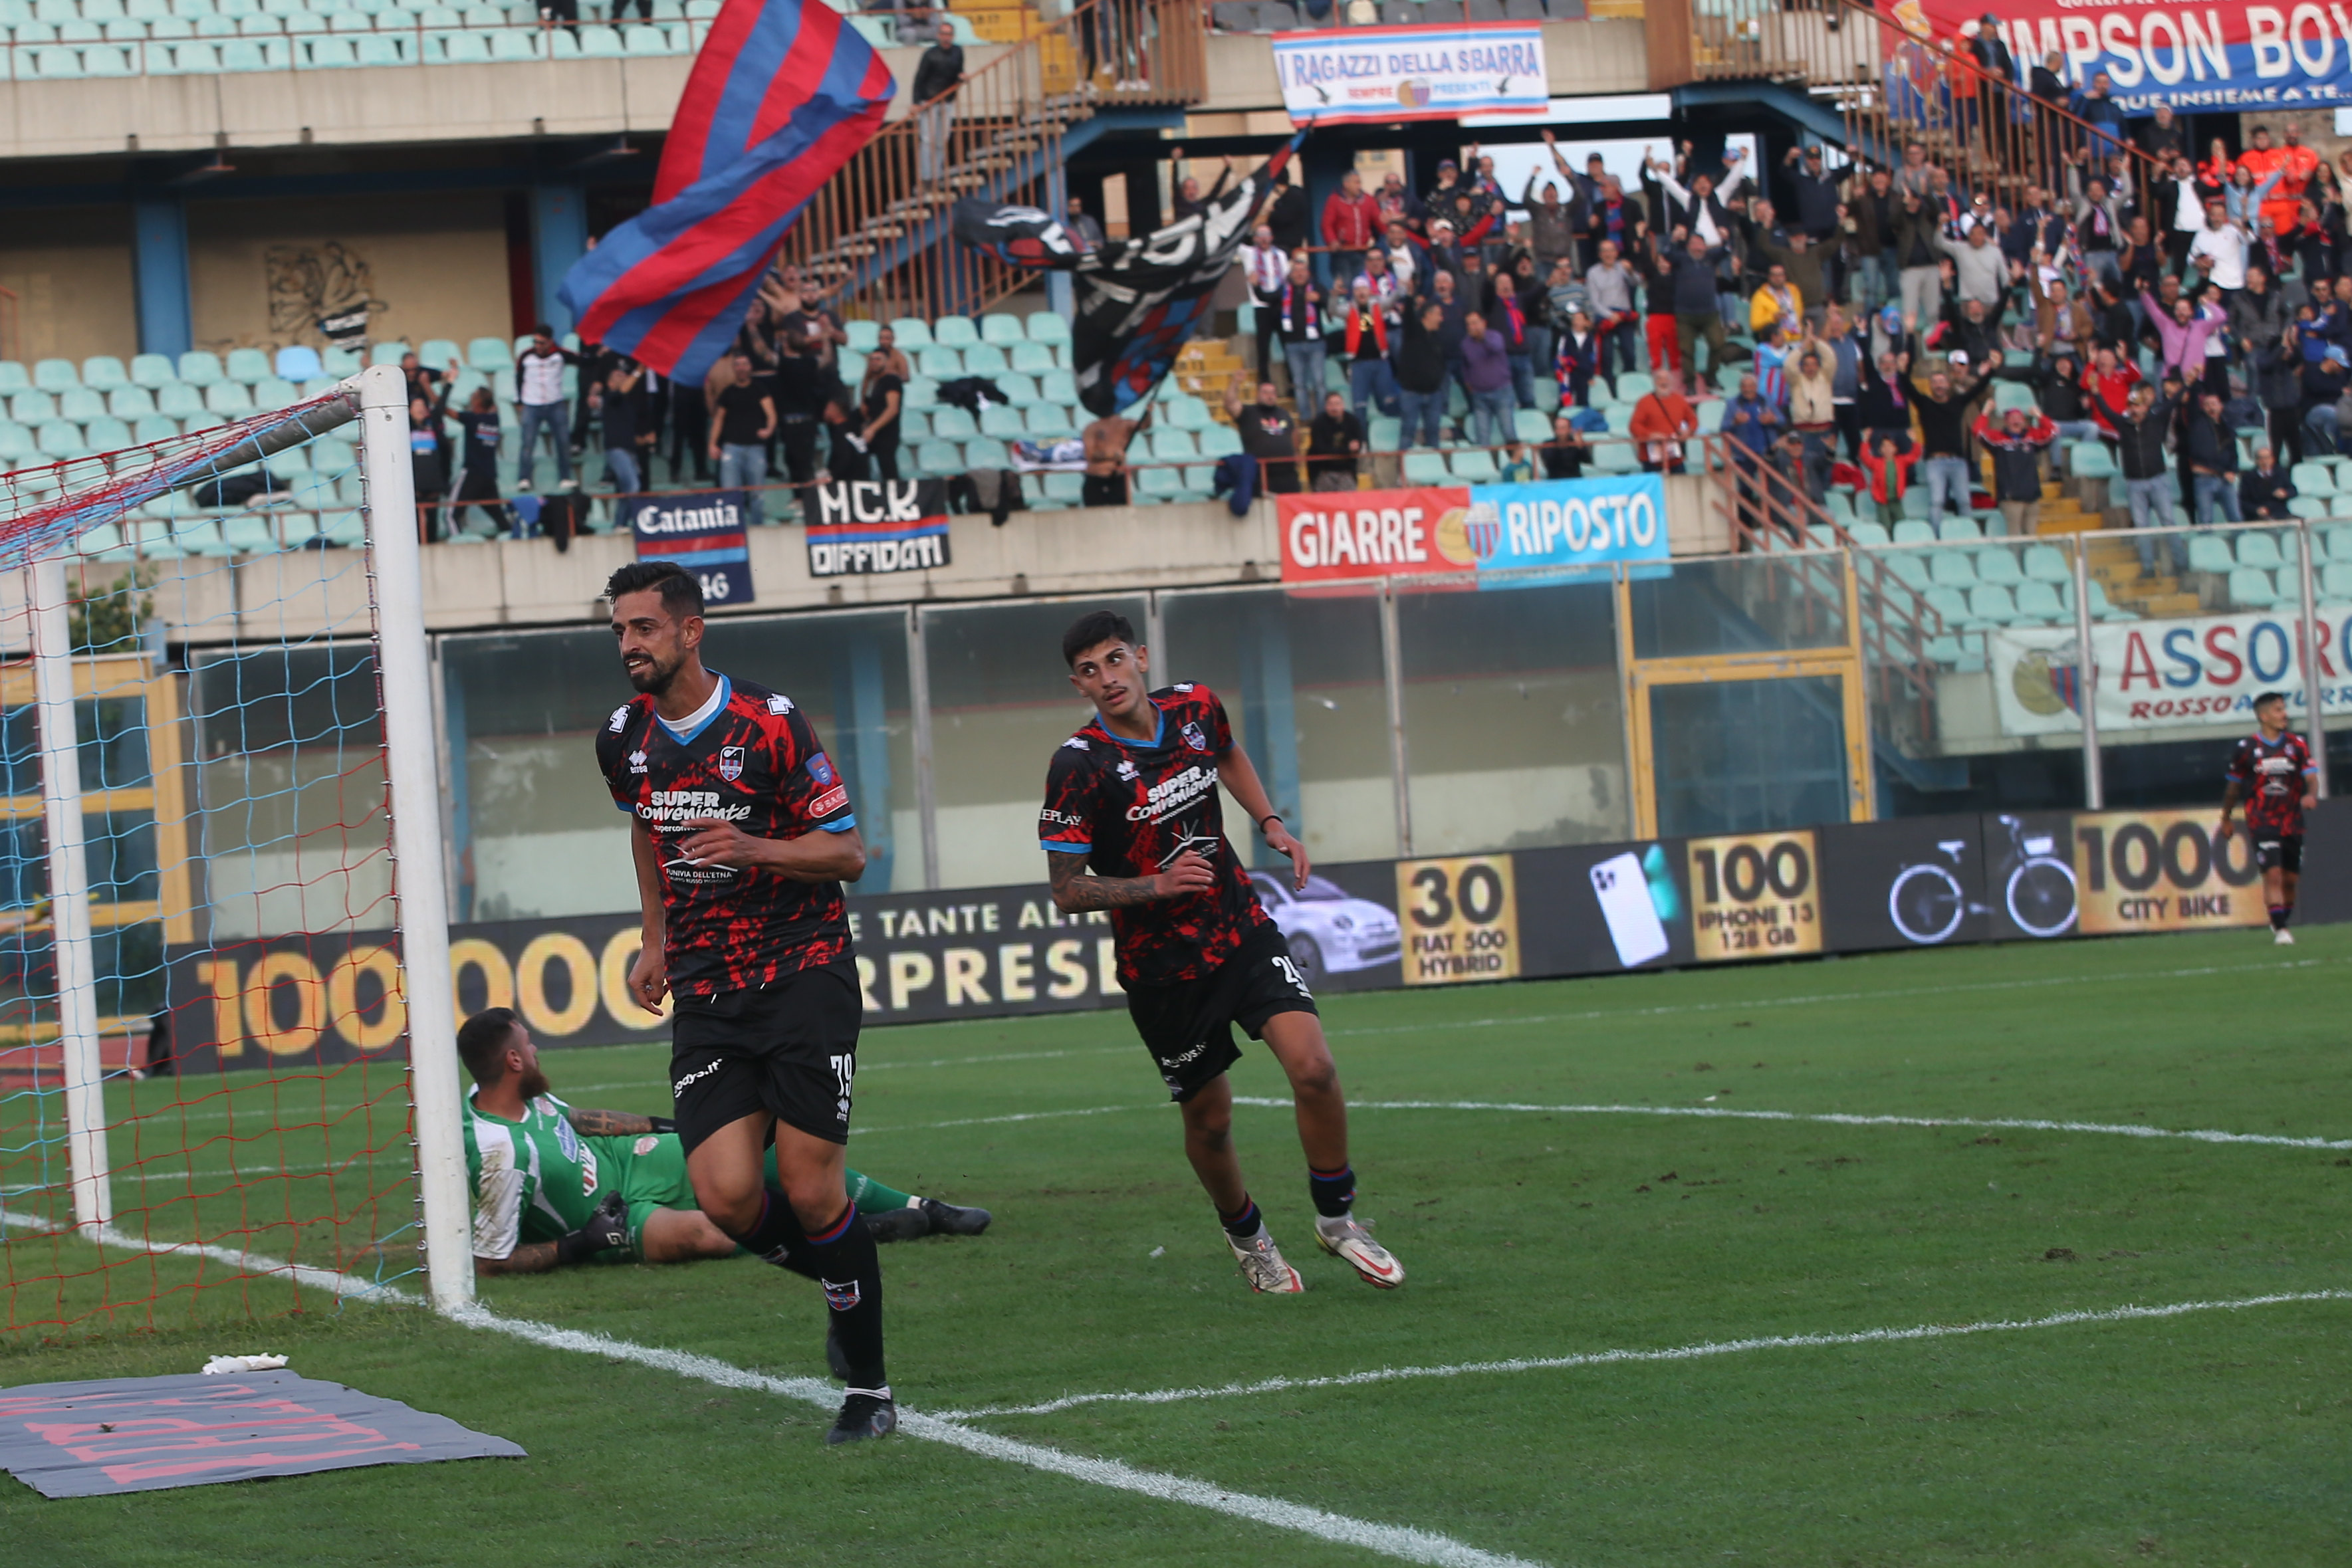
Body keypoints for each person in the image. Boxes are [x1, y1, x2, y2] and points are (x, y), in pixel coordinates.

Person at [596, 560, 890, 1444]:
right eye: (618, 630)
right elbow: (647, 831)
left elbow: (846, 854)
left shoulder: (769, 722)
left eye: (643, 627)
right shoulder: (621, 735)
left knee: (807, 1186)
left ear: (691, 630)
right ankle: (848, 1280)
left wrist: (755, 847)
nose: (628, 645)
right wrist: (654, 937)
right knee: (724, 1195)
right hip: (709, 990)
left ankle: (869, 1386)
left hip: (802, 973)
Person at [1038, 610, 1405, 1295]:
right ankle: (1247, 1234)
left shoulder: (1197, 706)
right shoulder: (1078, 765)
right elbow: (1065, 888)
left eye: (1116, 660)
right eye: (1090, 670)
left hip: (1238, 929)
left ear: (1141, 658)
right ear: (1078, 684)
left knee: (1315, 1067)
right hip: (1161, 970)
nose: (1107, 678)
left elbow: (1227, 752)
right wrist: (1158, 884)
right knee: (1210, 1122)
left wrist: (1269, 822)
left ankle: (1337, 1220)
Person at [460, 1008, 990, 1280]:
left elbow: (581, 1120)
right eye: (530, 1045)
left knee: (764, 1158)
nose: (537, 1050)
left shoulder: (507, 1095)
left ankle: (926, 1208)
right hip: (607, 1222)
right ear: (512, 1062)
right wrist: (584, 1243)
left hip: (630, 1163)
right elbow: (491, 1261)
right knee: (705, 1235)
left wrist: (669, 1126)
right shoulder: (503, 1156)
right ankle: (851, 1233)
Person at [2218, 691, 2319, 944]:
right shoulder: (2247, 749)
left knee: (2290, 880)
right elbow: (2233, 787)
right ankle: (2282, 929)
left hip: (2292, 820)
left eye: (2283, 709)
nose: (2284, 715)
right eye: (2278, 710)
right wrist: (2226, 817)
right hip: (2262, 820)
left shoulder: (2297, 744)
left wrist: (2311, 794)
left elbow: (2311, 777)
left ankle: (2280, 920)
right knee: (2272, 874)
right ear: (2263, 716)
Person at [708, 353, 776, 527]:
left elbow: (771, 414)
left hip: (756, 448)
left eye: (744, 364)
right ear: (734, 369)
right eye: (738, 365)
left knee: (757, 494)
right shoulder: (728, 392)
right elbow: (719, 420)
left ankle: (757, 527)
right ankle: (734, 530)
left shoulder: (760, 389)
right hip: (732, 447)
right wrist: (712, 443)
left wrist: (769, 430)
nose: (741, 368)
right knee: (731, 494)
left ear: (750, 367)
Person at [515, 324, 585, 491]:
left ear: (550, 341)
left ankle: (565, 477)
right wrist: (519, 401)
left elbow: (583, 360)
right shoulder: (526, 356)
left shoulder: (560, 354)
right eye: (535, 342)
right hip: (532, 405)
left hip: (555, 403)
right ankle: (524, 478)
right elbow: (518, 378)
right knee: (527, 443)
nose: (538, 346)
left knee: (563, 442)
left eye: (542, 343)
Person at [1972, 406, 2058, 535]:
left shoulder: (2031, 437)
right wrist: (1986, 412)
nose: (2016, 421)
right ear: (2006, 422)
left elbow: (2053, 431)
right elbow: (1978, 431)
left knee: (2031, 537)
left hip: (2032, 497)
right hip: (2010, 499)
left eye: (2019, 418)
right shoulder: (1998, 439)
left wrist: (2039, 415)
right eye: (2012, 418)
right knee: (2015, 538)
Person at [1226, 376, 1300, 495]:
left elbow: (1293, 432)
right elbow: (1230, 404)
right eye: (1265, 393)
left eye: (1273, 393)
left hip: (1287, 473)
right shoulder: (1248, 412)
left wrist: (1296, 452)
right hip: (1261, 473)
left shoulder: (1284, 413)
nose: (1270, 396)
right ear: (1258, 395)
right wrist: (1235, 382)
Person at [911, 21, 963, 183]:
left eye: (949, 34)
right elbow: (919, 79)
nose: (946, 38)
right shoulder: (930, 54)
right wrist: (917, 101)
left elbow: (957, 73)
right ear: (938, 36)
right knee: (928, 140)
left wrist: (961, 78)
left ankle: (937, 174)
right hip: (930, 100)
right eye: (943, 34)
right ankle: (926, 176)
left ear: (952, 36)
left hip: (946, 101)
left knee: (942, 139)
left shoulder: (958, 52)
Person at [1271, 256, 1327, 406]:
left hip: (1315, 344)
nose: (1300, 274)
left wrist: (1319, 298)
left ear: (1308, 273)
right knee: (1299, 384)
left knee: (1319, 383)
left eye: (1303, 271)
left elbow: (1328, 301)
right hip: (1293, 345)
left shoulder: (1316, 287)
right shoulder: (1284, 290)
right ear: (1290, 274)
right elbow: (1267, 298)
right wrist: (1256, 286)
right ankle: (1305, 417)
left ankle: (1322, 417)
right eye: (1296, 271)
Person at [1395, 300, 1450, 449]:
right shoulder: (1412, 332)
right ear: (1428, 315)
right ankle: (1403, 468)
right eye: (1439, 315)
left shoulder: (1437, 337)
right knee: (1408, 431)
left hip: (1434, 394)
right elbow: (1408, 318)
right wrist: (1409, 297)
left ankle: (1434, 466)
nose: (1441, 319)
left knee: (1433, 432)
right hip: (1412, 393)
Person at [449, 387, 503, 537]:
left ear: (479, 401)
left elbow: (446, 411)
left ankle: (456, 545)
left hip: (472, 474)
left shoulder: (472, 419)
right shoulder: (495, 420)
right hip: (489, 476)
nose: (471, 397)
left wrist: (428, 387)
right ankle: (513, 537)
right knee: (499, 517)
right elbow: (494, 407)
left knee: (451, 515)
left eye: (474, 396)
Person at [1319, 168, 1379, 292]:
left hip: (1362, 251)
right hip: (1343, 252)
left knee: (1362, 284)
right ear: (1346, 184)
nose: (1359, 186)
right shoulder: (1334, 200)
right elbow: (1326, 225)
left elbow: (1378, 222)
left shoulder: (1368, 200)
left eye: (1360, 182)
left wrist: (1385, 222)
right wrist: (1332, 241)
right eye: (1356, 182)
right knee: (1345, 284)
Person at [1459, 310, 1514, 448]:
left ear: (1483, 323)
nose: (1472, 327)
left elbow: (1496, 348)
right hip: (1479, 395)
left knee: (1508, 431)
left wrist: (1482, 337)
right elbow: (1465, 366)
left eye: (1475, 323)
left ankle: (1515, 464)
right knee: (1482, 436)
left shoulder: (1495, 336)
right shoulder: (1465, 344)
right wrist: (1468, 382)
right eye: (1469, 324)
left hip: (1501, 392)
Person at [594, 362, 649, 495]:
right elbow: (623, 390)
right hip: (617, 450)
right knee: (633, 486)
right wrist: (638, 372)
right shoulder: (610, 398)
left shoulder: (628, 405)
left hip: (629, 450)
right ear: (610, 383)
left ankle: (622, 517)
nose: (623, 376)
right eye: (618, 375)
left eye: (624, 374)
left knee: (623, 491)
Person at [1628, 368, 1696, 474]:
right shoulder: (1644, 402)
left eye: (1667, 379)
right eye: (1659, 379)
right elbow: (1634, 426)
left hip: (1675, 458)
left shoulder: (1680, 400)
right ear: (1654, 382)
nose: (1663, 382)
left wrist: (1688, 431)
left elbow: (1693, 420)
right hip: (1652, 460)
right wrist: (1649, 435)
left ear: (1672, 381)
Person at [858, 348, 904, 482]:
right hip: (875, 433)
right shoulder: (874, 383)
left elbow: (892, 409)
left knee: (889, 471)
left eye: (878, 359)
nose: (874, 363)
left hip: (887, 433)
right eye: (872, 359)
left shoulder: (891, 381)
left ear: (886, 362)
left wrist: (872, 429)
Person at [1304, 391, 1363, 492]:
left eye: (1337, 404)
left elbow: (1358, 445)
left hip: (1346, 471)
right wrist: (1347, 450)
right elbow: (1321, 449)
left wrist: (1353, 448)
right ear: (1326, 406)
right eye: (1331, 404)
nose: (1334, 408)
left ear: (1343, 405)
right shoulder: (1318, 423)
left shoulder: (1353, 421)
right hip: (1324, 472)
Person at [1857, 435, 1920, 526]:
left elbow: (1914, 456)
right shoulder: (1876, 463)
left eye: (1890, 446)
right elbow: (1864, 457)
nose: (1887, 449)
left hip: (1896, 499)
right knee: (1885, 524)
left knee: (1901, 523)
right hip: (1882, 501)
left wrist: (1915, 441)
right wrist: (1865, 441)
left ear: (1895, 449)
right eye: (1884, 446)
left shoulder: (1901, 461)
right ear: (1880, 450)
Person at [1080, 410, 1136, 506]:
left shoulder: (1125, 425)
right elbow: (1090, 455)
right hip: (1097, 478)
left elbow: (1144, 426)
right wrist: (1113, 456)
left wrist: (1149, 412)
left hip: (1118, 479)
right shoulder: (1092, 428)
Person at [2240, 445, 2296, 520]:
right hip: (2260, 516)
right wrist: (2256, 509)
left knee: (2303, 524)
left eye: (2267, 458)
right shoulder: (2248, 477)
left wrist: (2285, 493)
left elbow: (2293, 490)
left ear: (2273, 459)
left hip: (2281, 513)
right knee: (2274, 528)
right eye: (2261, 459)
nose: (2265, 461)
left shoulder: (2280, 472)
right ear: (2256, 461)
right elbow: (2243, 502)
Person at [1539, 409, 1588, 479]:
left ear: (1569, 429)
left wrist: (1580, 447)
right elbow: (1548, 463)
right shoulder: (1548, 444)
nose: (1560, 432)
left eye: (1563, 428)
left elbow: (1587, 460)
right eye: (1557, 428)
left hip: (1575, 480)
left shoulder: (1574, 443)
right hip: (1555, 482)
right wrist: (1560, 446)